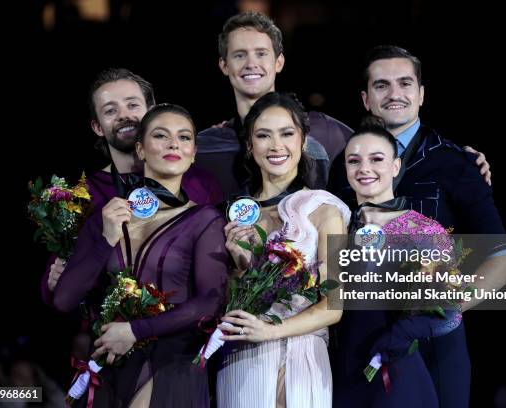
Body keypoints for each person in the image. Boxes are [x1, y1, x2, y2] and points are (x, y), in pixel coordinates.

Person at [329, 45, 506, 407]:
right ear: (366, 99)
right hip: (358, 347)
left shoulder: (457, 164)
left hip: (434, 349)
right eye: (381, 85)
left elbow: (504, 260)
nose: (395, 94)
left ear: (421, 94)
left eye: (405, 83)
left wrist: (438, 313)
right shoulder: (344, 166)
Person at [53, 104, 229, 407]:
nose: (174, 143)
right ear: (141, 149)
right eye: (161, 136)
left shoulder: (205, 219)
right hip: (110, 362)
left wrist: (136, 330)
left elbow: (212, 301)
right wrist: (106, 239)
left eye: (184, 137)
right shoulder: (106, 216)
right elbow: (64, 300)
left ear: (193, 153)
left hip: (171, 364)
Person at [42, 68, 222, 304]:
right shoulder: (83, 197)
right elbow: (56, 289)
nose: (123, 115)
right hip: (114, 333)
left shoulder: (201, 182)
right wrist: (55, 282)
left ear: (151, 108)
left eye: (132, 105)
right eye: (110, 110)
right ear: (97, 126)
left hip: (185, 331)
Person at [215, 92, 350, 408]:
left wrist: (270, 331)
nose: (276, 146)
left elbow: (335, 304)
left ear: (303, 141)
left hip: (301, 358)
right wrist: (240, 264)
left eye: (287, 134)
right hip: (240, 360)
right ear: (250, 145)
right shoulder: (233, 214)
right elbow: (224, 305)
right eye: (263, 135)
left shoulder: (324, 209)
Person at [332, 116, 463, 407]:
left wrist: (402, 334)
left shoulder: (421, 230)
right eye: (354, 161)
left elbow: (450, 312)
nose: (364, 168)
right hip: (339, 377)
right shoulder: (336, 227)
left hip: (393, 374)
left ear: (395, 166)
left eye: (376, 159)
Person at [195, 11, 353, 199]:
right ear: (224, 65)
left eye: (261, 54)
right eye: (239, 55)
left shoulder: (326, 131)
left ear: (279, 62)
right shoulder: (205, 145)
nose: (251, 63)